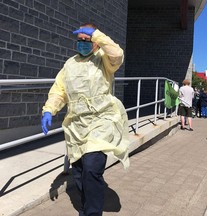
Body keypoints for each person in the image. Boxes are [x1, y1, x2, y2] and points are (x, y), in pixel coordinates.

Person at [41, 23, 130, 216]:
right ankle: (85, 208)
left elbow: (118, 54)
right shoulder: (70, 64)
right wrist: (49, 109)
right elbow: (60, 90)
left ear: (96, 43)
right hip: (77, 125)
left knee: (92, 168)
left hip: (101, 121)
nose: (82, 44)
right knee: (80, 172)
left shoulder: (104, 59)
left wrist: (97, 34)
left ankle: (92, 213)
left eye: (86, 40)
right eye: (79, 40)